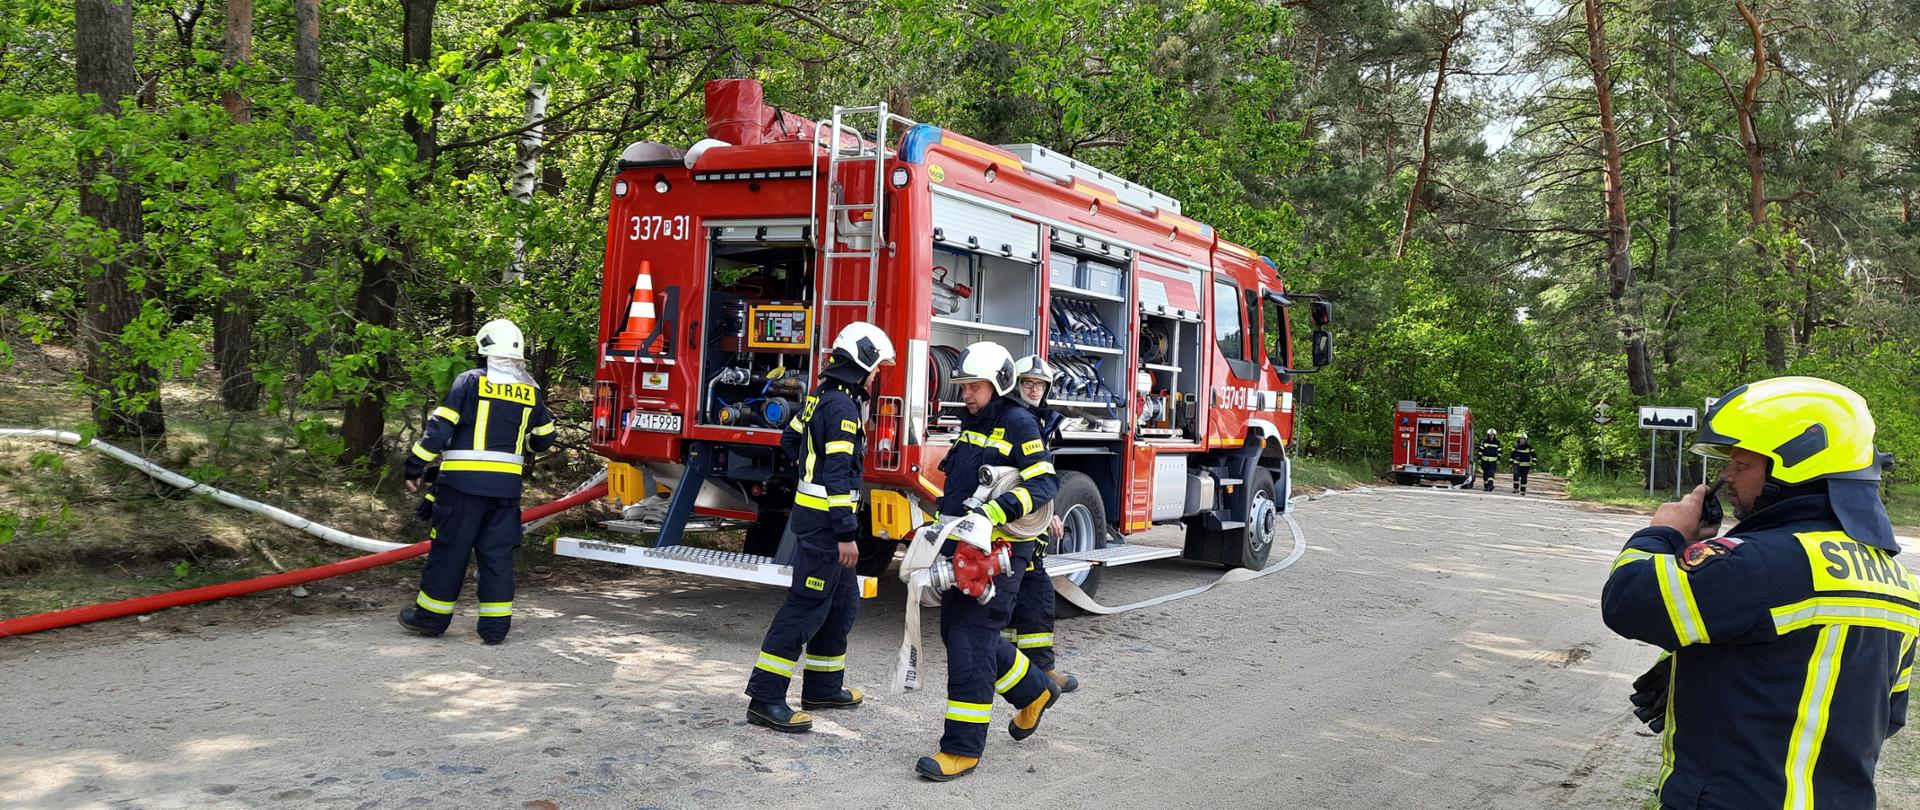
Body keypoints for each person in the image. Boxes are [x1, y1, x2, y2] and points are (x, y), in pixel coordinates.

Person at [1601, 376, 1913, 810]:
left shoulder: (1762, 562)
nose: (1727, 475)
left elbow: (1629, 599)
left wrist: (1663, 534)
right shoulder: (1899, 582)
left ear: (1796, 464)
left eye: (1742, 463)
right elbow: (1887, 713)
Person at [916, 342, 1061, 781]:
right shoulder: (974, 420)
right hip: (962, 546)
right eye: (964, 387)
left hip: (998, 553)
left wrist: (993, 514)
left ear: (998, 383)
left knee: (970, 643)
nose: (967, 394)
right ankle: (1034, 691)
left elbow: (1043, 484)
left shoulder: (1018, 421)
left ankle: (962, 750)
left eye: (974, 387)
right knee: (958, 632)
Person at [745, 322, 896, 733]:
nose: (878, 374)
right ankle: (765, 698)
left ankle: (823, 687)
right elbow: (836, 472)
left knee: (842, 603)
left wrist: (806, 480)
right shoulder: (843, 407)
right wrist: (847, 534)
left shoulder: (819, 397)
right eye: (878, 366)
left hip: (816, 519)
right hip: (827, 529)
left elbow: (790, 442)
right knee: (806, 606)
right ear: (862, 362)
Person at [399, 318, 557, 644]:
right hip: (506, 492)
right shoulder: (530, 391)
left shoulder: (469, 381)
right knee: (497, 557)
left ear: (483, 348)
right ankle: (495, 630)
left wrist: (415, 467)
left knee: (449, 552)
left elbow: (440, 429)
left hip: (461, 489)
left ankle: (430, 620)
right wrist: (520, 440)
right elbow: (544, 438)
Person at [1007, 355, 1081, 695]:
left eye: (1040, 384)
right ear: (1015, 384)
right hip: (1012, 527)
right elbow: (1012, 476)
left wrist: (1047, 509)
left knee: (1038, 601)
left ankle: (1043, 669)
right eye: (1027, 383)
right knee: (1008, 605)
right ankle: (1012, 671)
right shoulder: (1013, 420)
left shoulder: (1039, 421)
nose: (1034, 389)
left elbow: (1041, 475)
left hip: (1031, 528)